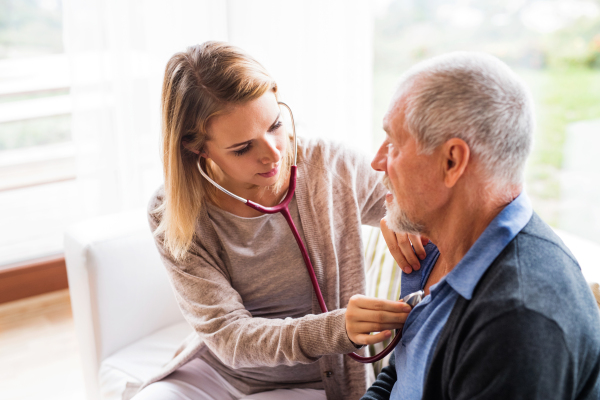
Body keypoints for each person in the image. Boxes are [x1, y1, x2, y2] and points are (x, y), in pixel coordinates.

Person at [130, 41, 425, 400]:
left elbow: (422, 206)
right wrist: (336, 328)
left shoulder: (332, 167)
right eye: (242, 148)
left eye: (275, 125)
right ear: (198, 148)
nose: (273, 152)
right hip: (217, 377)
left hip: (314, 382)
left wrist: (402, 213)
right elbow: (229, 336)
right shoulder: (172, 212)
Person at [362, 52, 600, 400]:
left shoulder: (517, 324)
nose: (378, 161)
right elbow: (401, 375)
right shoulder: (437, 248)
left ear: (452, 161)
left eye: (394, 144)